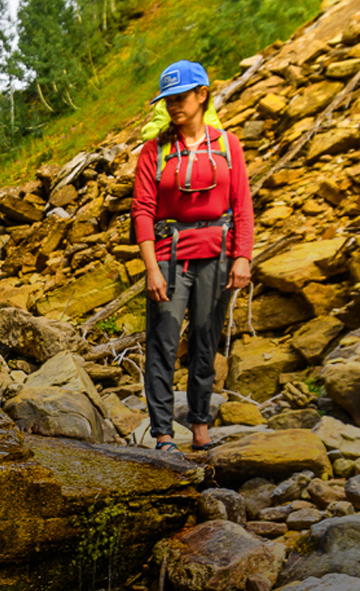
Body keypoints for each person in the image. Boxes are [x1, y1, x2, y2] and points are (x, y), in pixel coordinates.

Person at [131, 59, 254, 454]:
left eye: (181, 97)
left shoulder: (227, 145)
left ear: (202, 96)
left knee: (205, 341)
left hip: (217, 256)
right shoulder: (155, 151)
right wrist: (151, 268)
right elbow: (143, 211)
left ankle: (200, 425)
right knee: (163, 343)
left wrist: (243, 256)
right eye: (168, 100)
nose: (173, 106)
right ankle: (164, 433)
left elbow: (242, 205)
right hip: (169, 257)